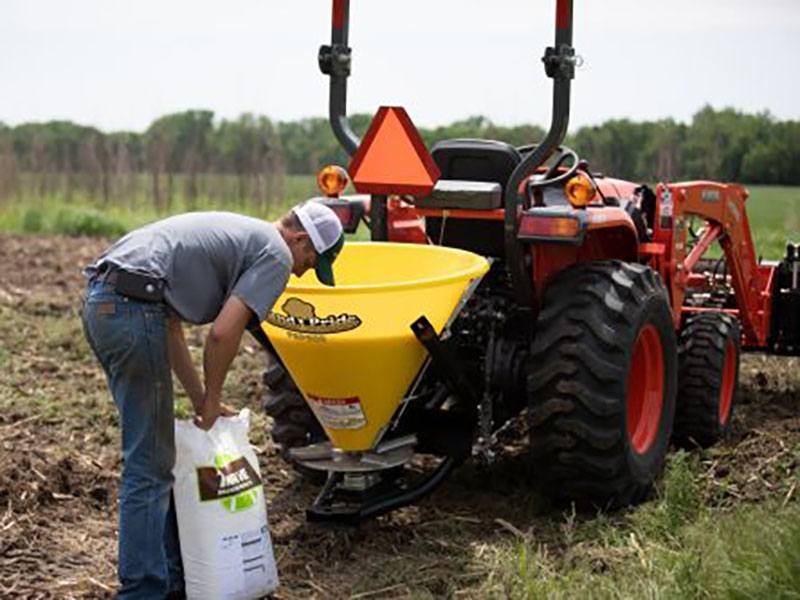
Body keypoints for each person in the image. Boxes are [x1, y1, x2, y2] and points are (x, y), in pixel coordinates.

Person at [80, 203, 344, 599]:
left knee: (154, 459)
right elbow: (222, 334)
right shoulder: (275, 253)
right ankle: (141, 592)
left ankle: (166, 579)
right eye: (311, 260)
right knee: (149, 467)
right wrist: (213, 397)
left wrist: (203, 398)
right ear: (300, 239)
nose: (303, 270)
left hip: (106, 304)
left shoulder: (245, 234)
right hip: (132, 310)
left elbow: (169, 328)